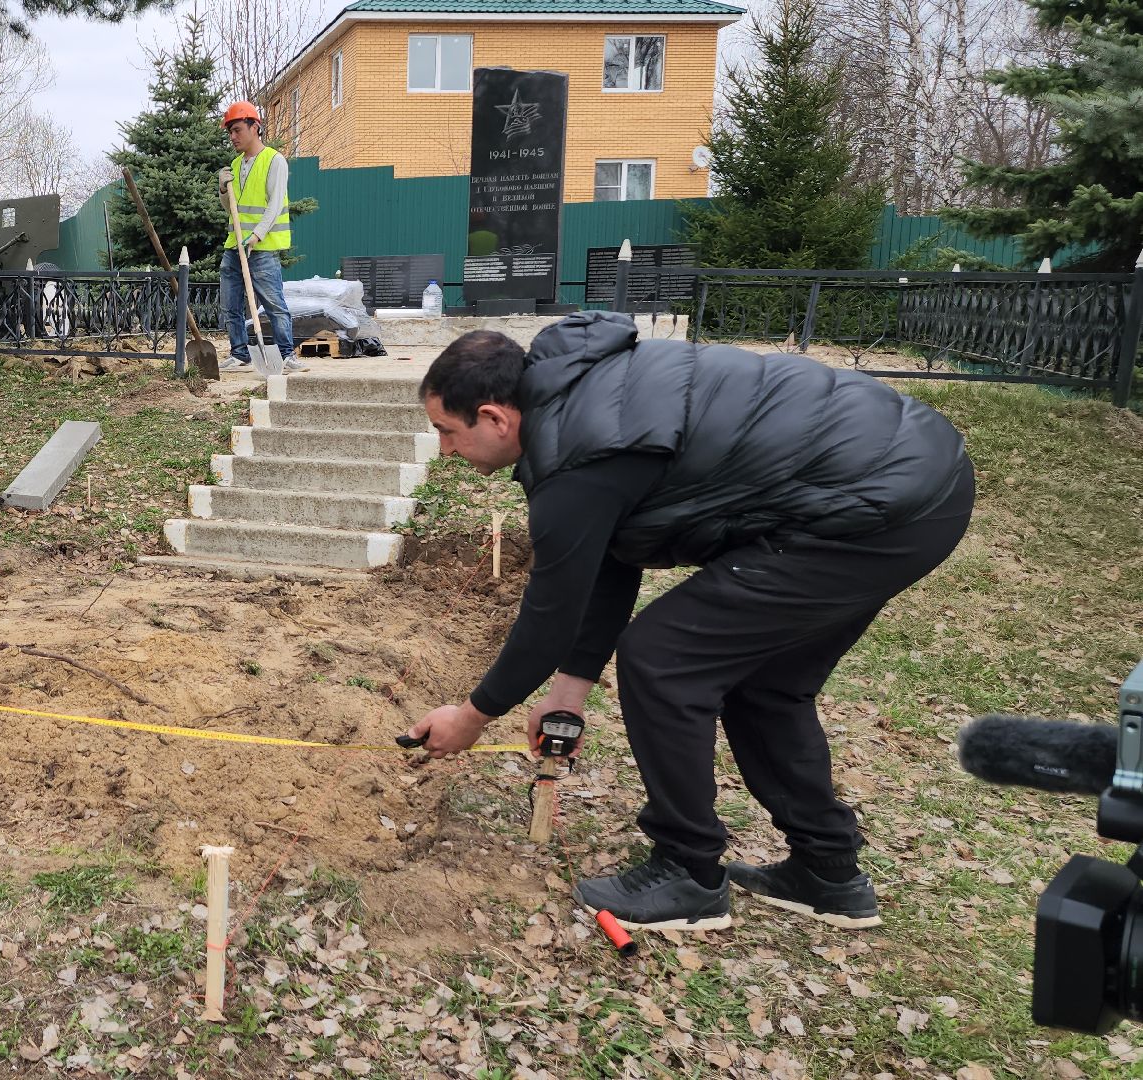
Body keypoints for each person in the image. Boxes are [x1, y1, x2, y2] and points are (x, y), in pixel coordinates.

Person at [404, 311, 974, 931]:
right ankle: (827, 871)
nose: (445, 450)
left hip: (875, 504)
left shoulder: (579, 454)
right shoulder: (580, 400)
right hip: (915, 479)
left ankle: (688, 872)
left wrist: (473, 717)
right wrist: (568, 695)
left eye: (447, 432)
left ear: (495, 417)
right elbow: (609, 563)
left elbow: (551, 613)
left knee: (662, 658)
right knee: (766, 685)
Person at [216, 100, 304, 374]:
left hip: (262, 247)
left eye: (238, 130)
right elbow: (231, 208)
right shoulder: (235, 164)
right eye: (230, 132)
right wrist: (222, 189)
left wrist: (256, 235)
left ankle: (287, 356)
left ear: (255, 127)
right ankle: (239, 354)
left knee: (274, 303)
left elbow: (275, 203)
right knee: (230, 304)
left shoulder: (274, 160)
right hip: (234, 246)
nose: (233, 137)